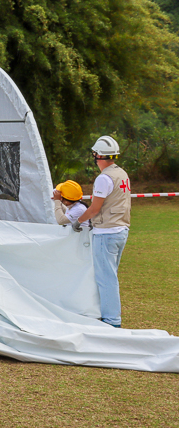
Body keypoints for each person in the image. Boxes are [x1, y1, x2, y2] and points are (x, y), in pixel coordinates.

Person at [74, 136, 131, 327]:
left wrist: (78, 221)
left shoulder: (103, 178)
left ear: (98, 155)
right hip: (121, 229)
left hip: (106, 232)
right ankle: (109, 316)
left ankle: (112, 320)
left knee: (106, 278)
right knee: (110, 275)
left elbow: (94, 209)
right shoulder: (122, 173)